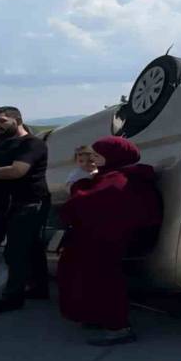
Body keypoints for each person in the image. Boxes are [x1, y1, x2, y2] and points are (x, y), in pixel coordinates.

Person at [57, 136, 162, 346]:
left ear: (113, 156)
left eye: (97, 155)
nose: (93, 159)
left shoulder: (117, 180)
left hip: (109, 241)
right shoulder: (120, 175)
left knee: (104, 280)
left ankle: (118, 327)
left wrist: (78, 185)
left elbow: (86, 205)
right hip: (109, 237)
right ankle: (97, 316)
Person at [0, 106, 50, 312]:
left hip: (31, 202)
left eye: (2, 121)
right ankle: (39, 288)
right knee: (32, 247)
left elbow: (17, 171)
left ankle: (12, 297)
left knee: (16, 251)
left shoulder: (32, 143)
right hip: (7, 202)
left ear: (17, 120)